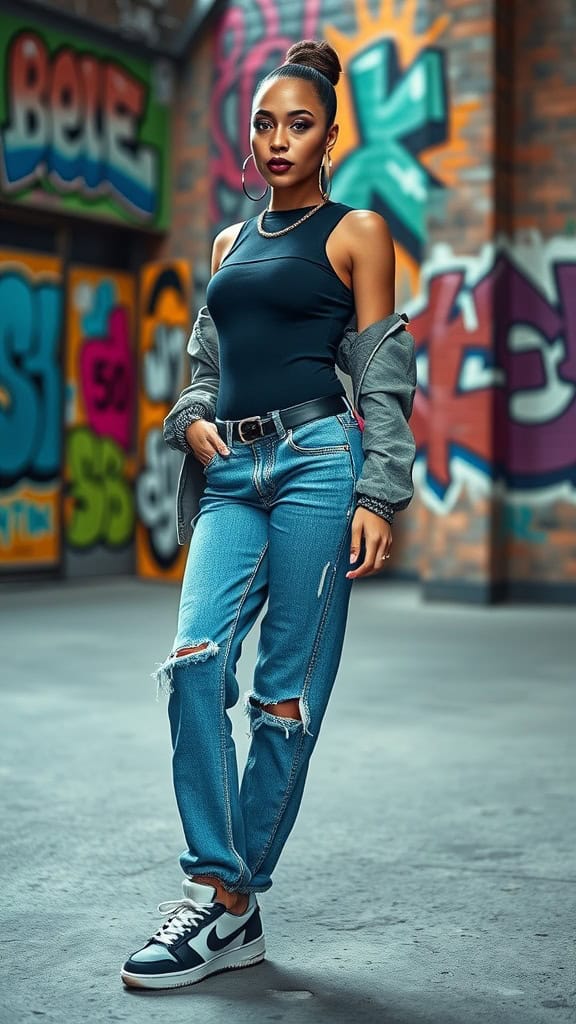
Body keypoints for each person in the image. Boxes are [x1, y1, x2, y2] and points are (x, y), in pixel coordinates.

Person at [121, 38, 416, 990]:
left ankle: (225, 904)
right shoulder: (227, 245)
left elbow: (380, 374)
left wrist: (379, 491)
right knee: (193, 665)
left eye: (299, 123)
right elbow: (205, 373)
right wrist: (189, 422)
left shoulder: (358, 232)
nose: (278, 139)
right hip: (234, 471)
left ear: (332, 134)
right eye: (264, 123)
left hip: (317, 463)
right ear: (248, 139)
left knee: (283, 697)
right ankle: (227, 890)